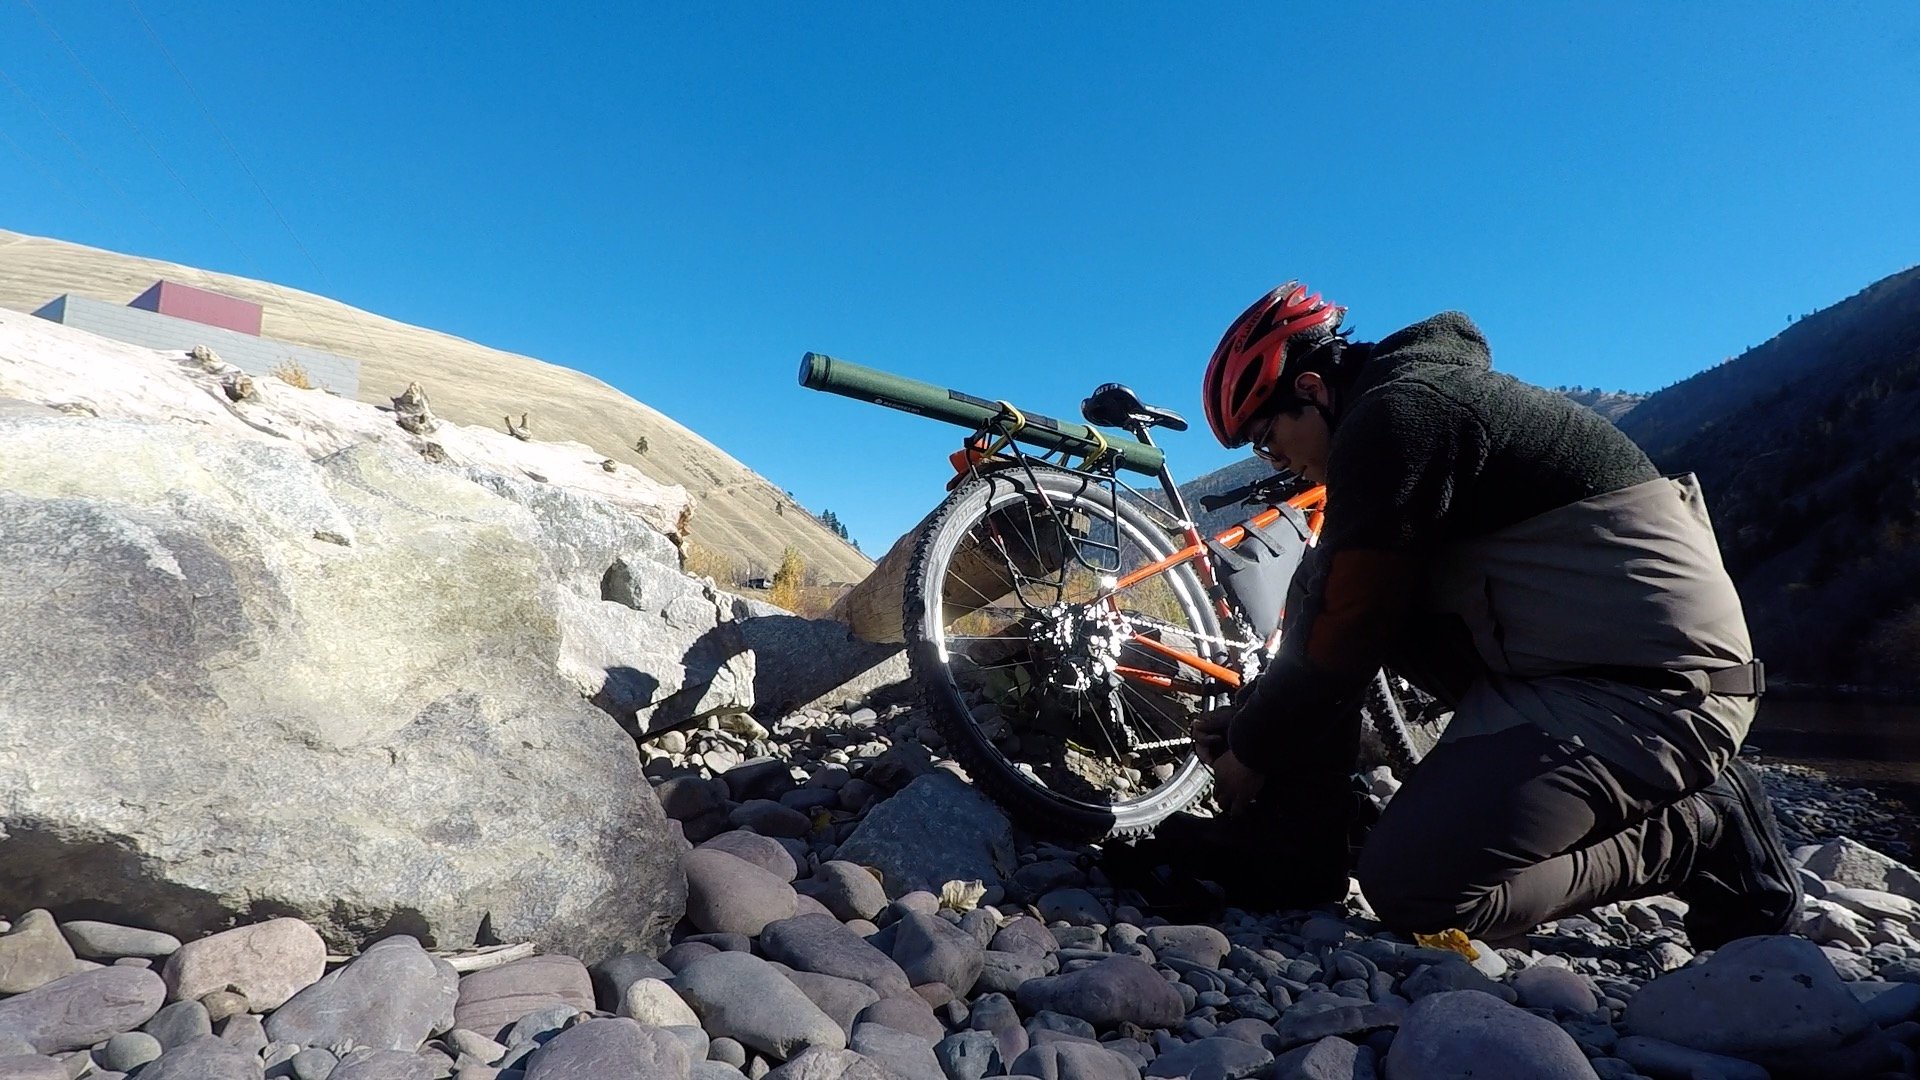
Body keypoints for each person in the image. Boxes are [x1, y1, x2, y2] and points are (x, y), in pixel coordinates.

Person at [1111, 281, 1800, 949]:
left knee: (1420, 890)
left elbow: (1350, 631)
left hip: (1660, 695)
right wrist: (1260, 717)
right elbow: (1341, 614)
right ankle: (1297, 853)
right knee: (1324, 579)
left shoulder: (1399, 416)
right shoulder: (1403, 408)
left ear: (1313, 390)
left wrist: (1255, 748)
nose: (1276, 460)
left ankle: (1699, 829)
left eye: (1267, 438)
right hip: (1568, 665)